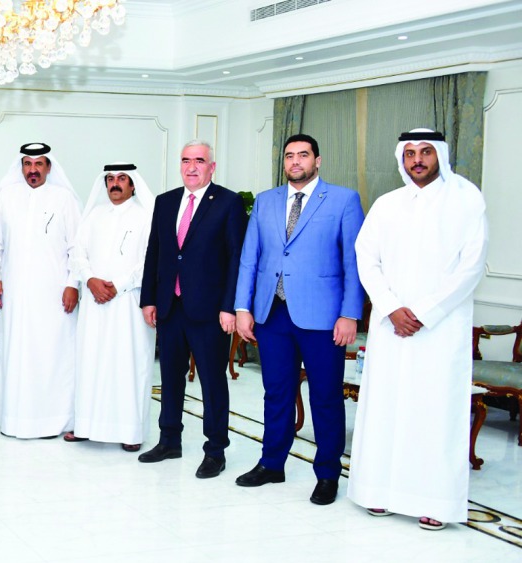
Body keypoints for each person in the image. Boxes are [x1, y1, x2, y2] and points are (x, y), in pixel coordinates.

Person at [347, 129, 488, 531]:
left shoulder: (467, 199)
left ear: (440, 155)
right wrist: (392, 309)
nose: (418, 160)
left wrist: (425, 312)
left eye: (425, 152)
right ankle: (378, 491)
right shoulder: (387, 204)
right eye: (410, 153)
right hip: (391, 326)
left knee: (434, 411)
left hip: (441, 328)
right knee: (386, 406)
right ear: (401, 158)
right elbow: (366, 258)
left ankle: (435, 501)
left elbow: (472, 265)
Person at [233, 134, 364, 504]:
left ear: (317, 161)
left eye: (303, 155)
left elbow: (354, 263)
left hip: (323, 319)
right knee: (275, 393)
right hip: (272, 315)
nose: (295, 162)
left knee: (324, 396)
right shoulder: (266, 201)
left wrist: (349, 313)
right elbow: (250, 258)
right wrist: (243, 308)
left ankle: (327, 474)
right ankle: (272, 463)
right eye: (289, 156)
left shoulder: (343, 200)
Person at [138, 140, 246, 479]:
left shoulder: (228, 203)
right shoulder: (165, 201)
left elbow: (236, 259)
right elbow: (154, 252)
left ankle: (215, 450)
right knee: (169, 378)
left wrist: (230, 307)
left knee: (213, 382)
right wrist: (149, 298)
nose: (192, 167)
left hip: (211, 311)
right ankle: (169, 439)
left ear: (212, 167)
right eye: (186, 160)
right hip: (171, 307)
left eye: (199, 161)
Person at [0, 142, 81, 438]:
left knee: (52, 353)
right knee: (16, 351)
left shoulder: (64, 198)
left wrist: (72, 284)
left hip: (55, 293)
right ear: (21, 166)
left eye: (39, 164)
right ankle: (14, 417)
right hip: (14, 292)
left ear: (49, 167)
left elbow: (77, 246)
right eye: (28, 163)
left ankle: (56, 418)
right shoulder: (6, 195)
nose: (33, 170)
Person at [65, 163, 155, 451]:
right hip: (94, 302)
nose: (115, 184)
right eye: (111, 179)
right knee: (91, 361)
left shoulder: (146, 217)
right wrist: (90, 280)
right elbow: (77, 253)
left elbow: (150, 260)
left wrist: (117, 284)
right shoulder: (93, 216)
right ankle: (86, 426)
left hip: (129, 303)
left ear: (132, 184)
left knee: (128, 364)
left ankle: (130, 432)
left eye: (122, 179)